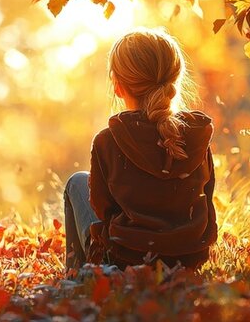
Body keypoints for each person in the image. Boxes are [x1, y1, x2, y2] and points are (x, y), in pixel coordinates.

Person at [64, 28, 217, 271]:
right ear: (174, 80)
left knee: (77, 182)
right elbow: (206, 203)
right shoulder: (196, 136)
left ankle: (79, 278)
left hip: (124, 262)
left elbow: (103, 211)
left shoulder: (108, 141)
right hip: (187, 263)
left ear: (118, 86)